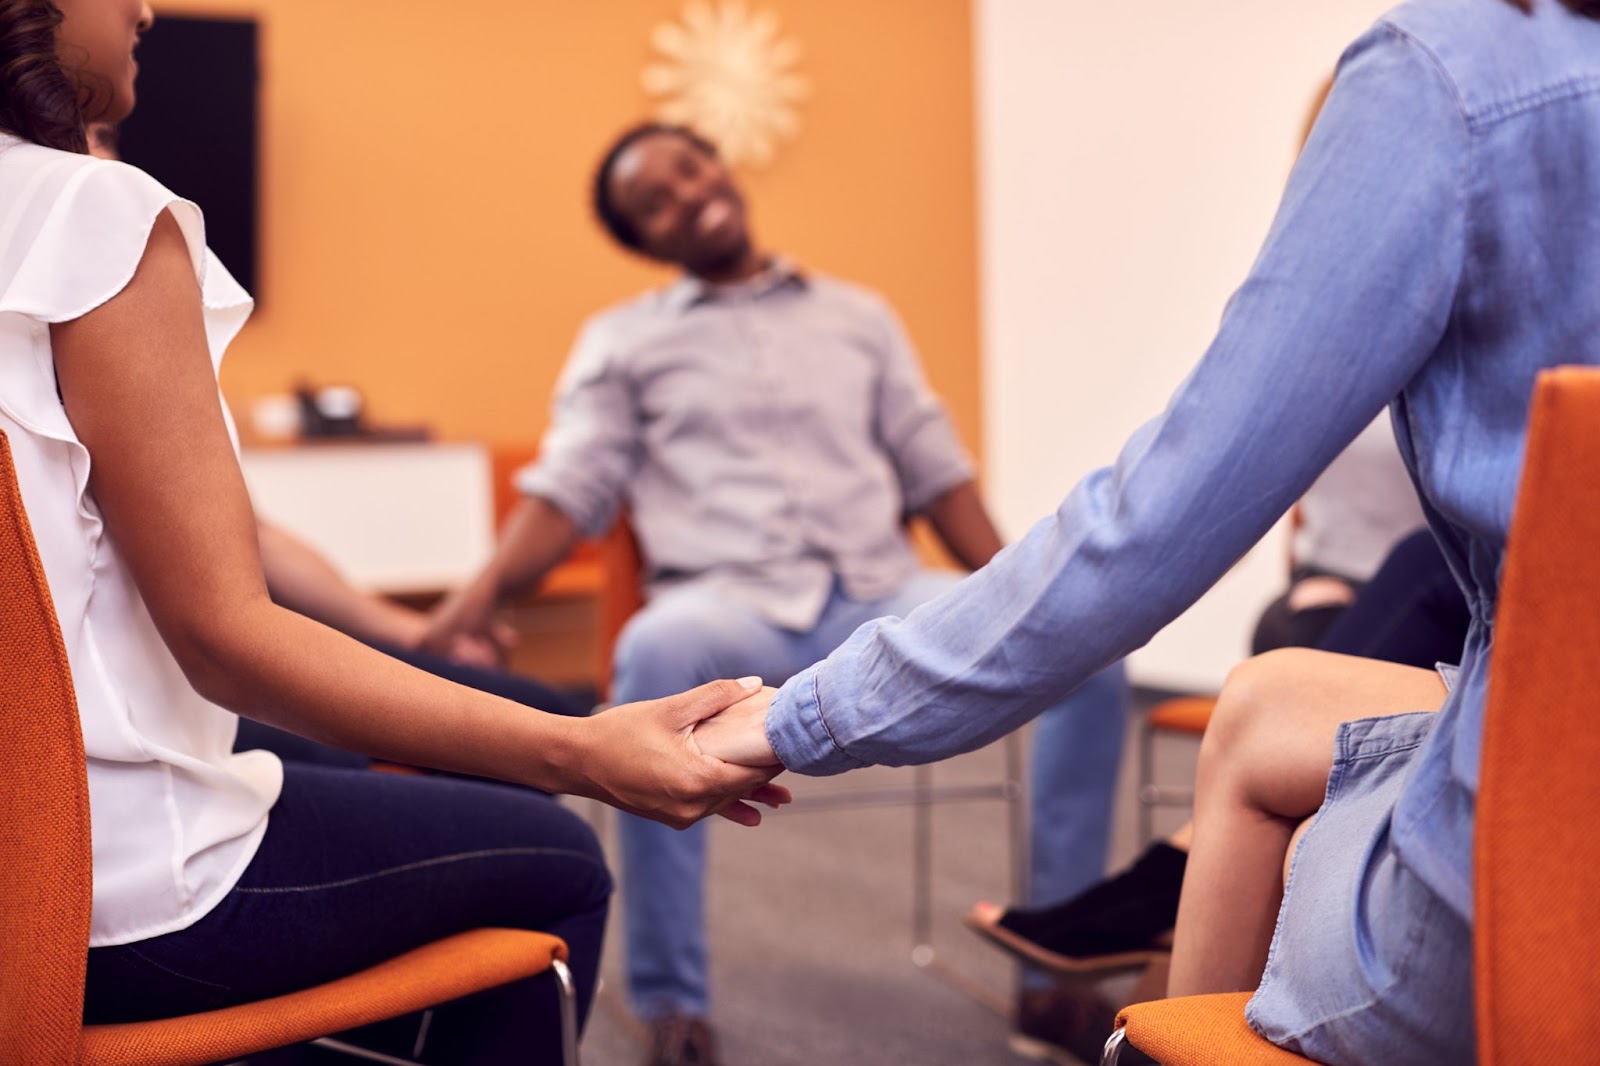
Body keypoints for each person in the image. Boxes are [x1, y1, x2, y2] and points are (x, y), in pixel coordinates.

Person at [695, 1, 1600, 1061]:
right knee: (1271, 699)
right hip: (721, 586)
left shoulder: (1448, 81)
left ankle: (1166, 995)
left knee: (1307, 833)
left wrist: (799, 717)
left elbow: (1147, 524)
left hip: (1555, 860)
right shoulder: (634, 348)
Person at [0, 2, 786, 1061]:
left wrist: (425, 642)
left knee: (379, 749)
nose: (145, 8)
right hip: (99, 889)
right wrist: (579, 755)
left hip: (31, 836)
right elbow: (228, 636)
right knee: (556, 854)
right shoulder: (91, 217)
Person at [424, 121, 1130, 1065]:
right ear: (647, 243)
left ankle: (1054, 978)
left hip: (883, 597)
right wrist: (470, 607)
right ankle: (674, 1001)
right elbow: (569, 496)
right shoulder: (623, 343)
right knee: (653, 652)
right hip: (725, 612)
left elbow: (936, 474)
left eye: (690, 167)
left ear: (720, 165)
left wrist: (1020, 594)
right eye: (656, 202)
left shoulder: (860, 316)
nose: (688, 193)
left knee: (1090, 652)